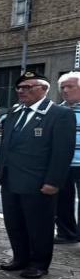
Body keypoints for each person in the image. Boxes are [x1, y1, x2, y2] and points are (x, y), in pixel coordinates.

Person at [0, 71, 75, 279]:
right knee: (15, 222)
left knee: (39, 225)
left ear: (44, 89)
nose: (22, 91)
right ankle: (20, 258)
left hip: (38, 182)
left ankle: (39, 263)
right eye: (19, 88)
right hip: (11, 179)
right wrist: (1, 173)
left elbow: (62, 152)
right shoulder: (15, 112)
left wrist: (53, 181)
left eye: (28, 87)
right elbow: (6, 146)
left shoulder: (59, 114)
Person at [54, 72, 80, 244]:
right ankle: (67, 233)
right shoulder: (57, 111)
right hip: (63, 164)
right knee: (62, 201)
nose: (65, 90)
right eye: (62, 87)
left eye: (70, 86)